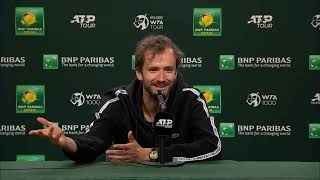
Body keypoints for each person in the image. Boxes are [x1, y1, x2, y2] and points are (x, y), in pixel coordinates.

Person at [29, 34, 222, 163]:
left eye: (168, 70)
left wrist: (152, 154)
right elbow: (93, 142)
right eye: (153, 69)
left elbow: (212, 147)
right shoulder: (118, 101)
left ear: (176, 72)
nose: (162, 78)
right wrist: (65, 142)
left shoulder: (191, 99)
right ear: (139, 72)